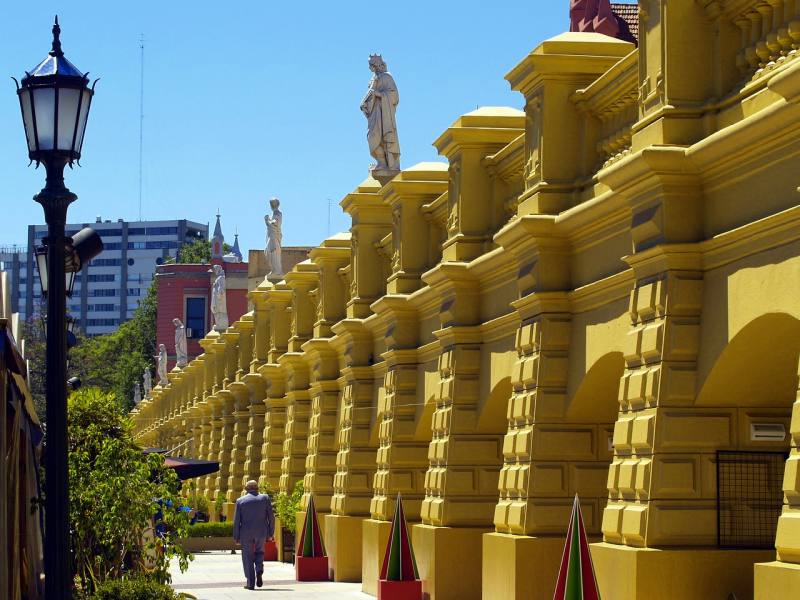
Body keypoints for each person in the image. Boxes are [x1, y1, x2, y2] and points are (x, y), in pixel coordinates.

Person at [232, 480, 275, 590]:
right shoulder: (265, 498)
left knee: (247, 556)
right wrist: (271, 533)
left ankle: (250, 583)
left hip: (246, 533)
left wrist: (236, 537)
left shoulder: (240, 501)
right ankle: (259, 569)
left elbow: (237, 521)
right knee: (260, 552)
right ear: (257, 488)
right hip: (261, 532)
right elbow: (271, 517)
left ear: (246, 489)